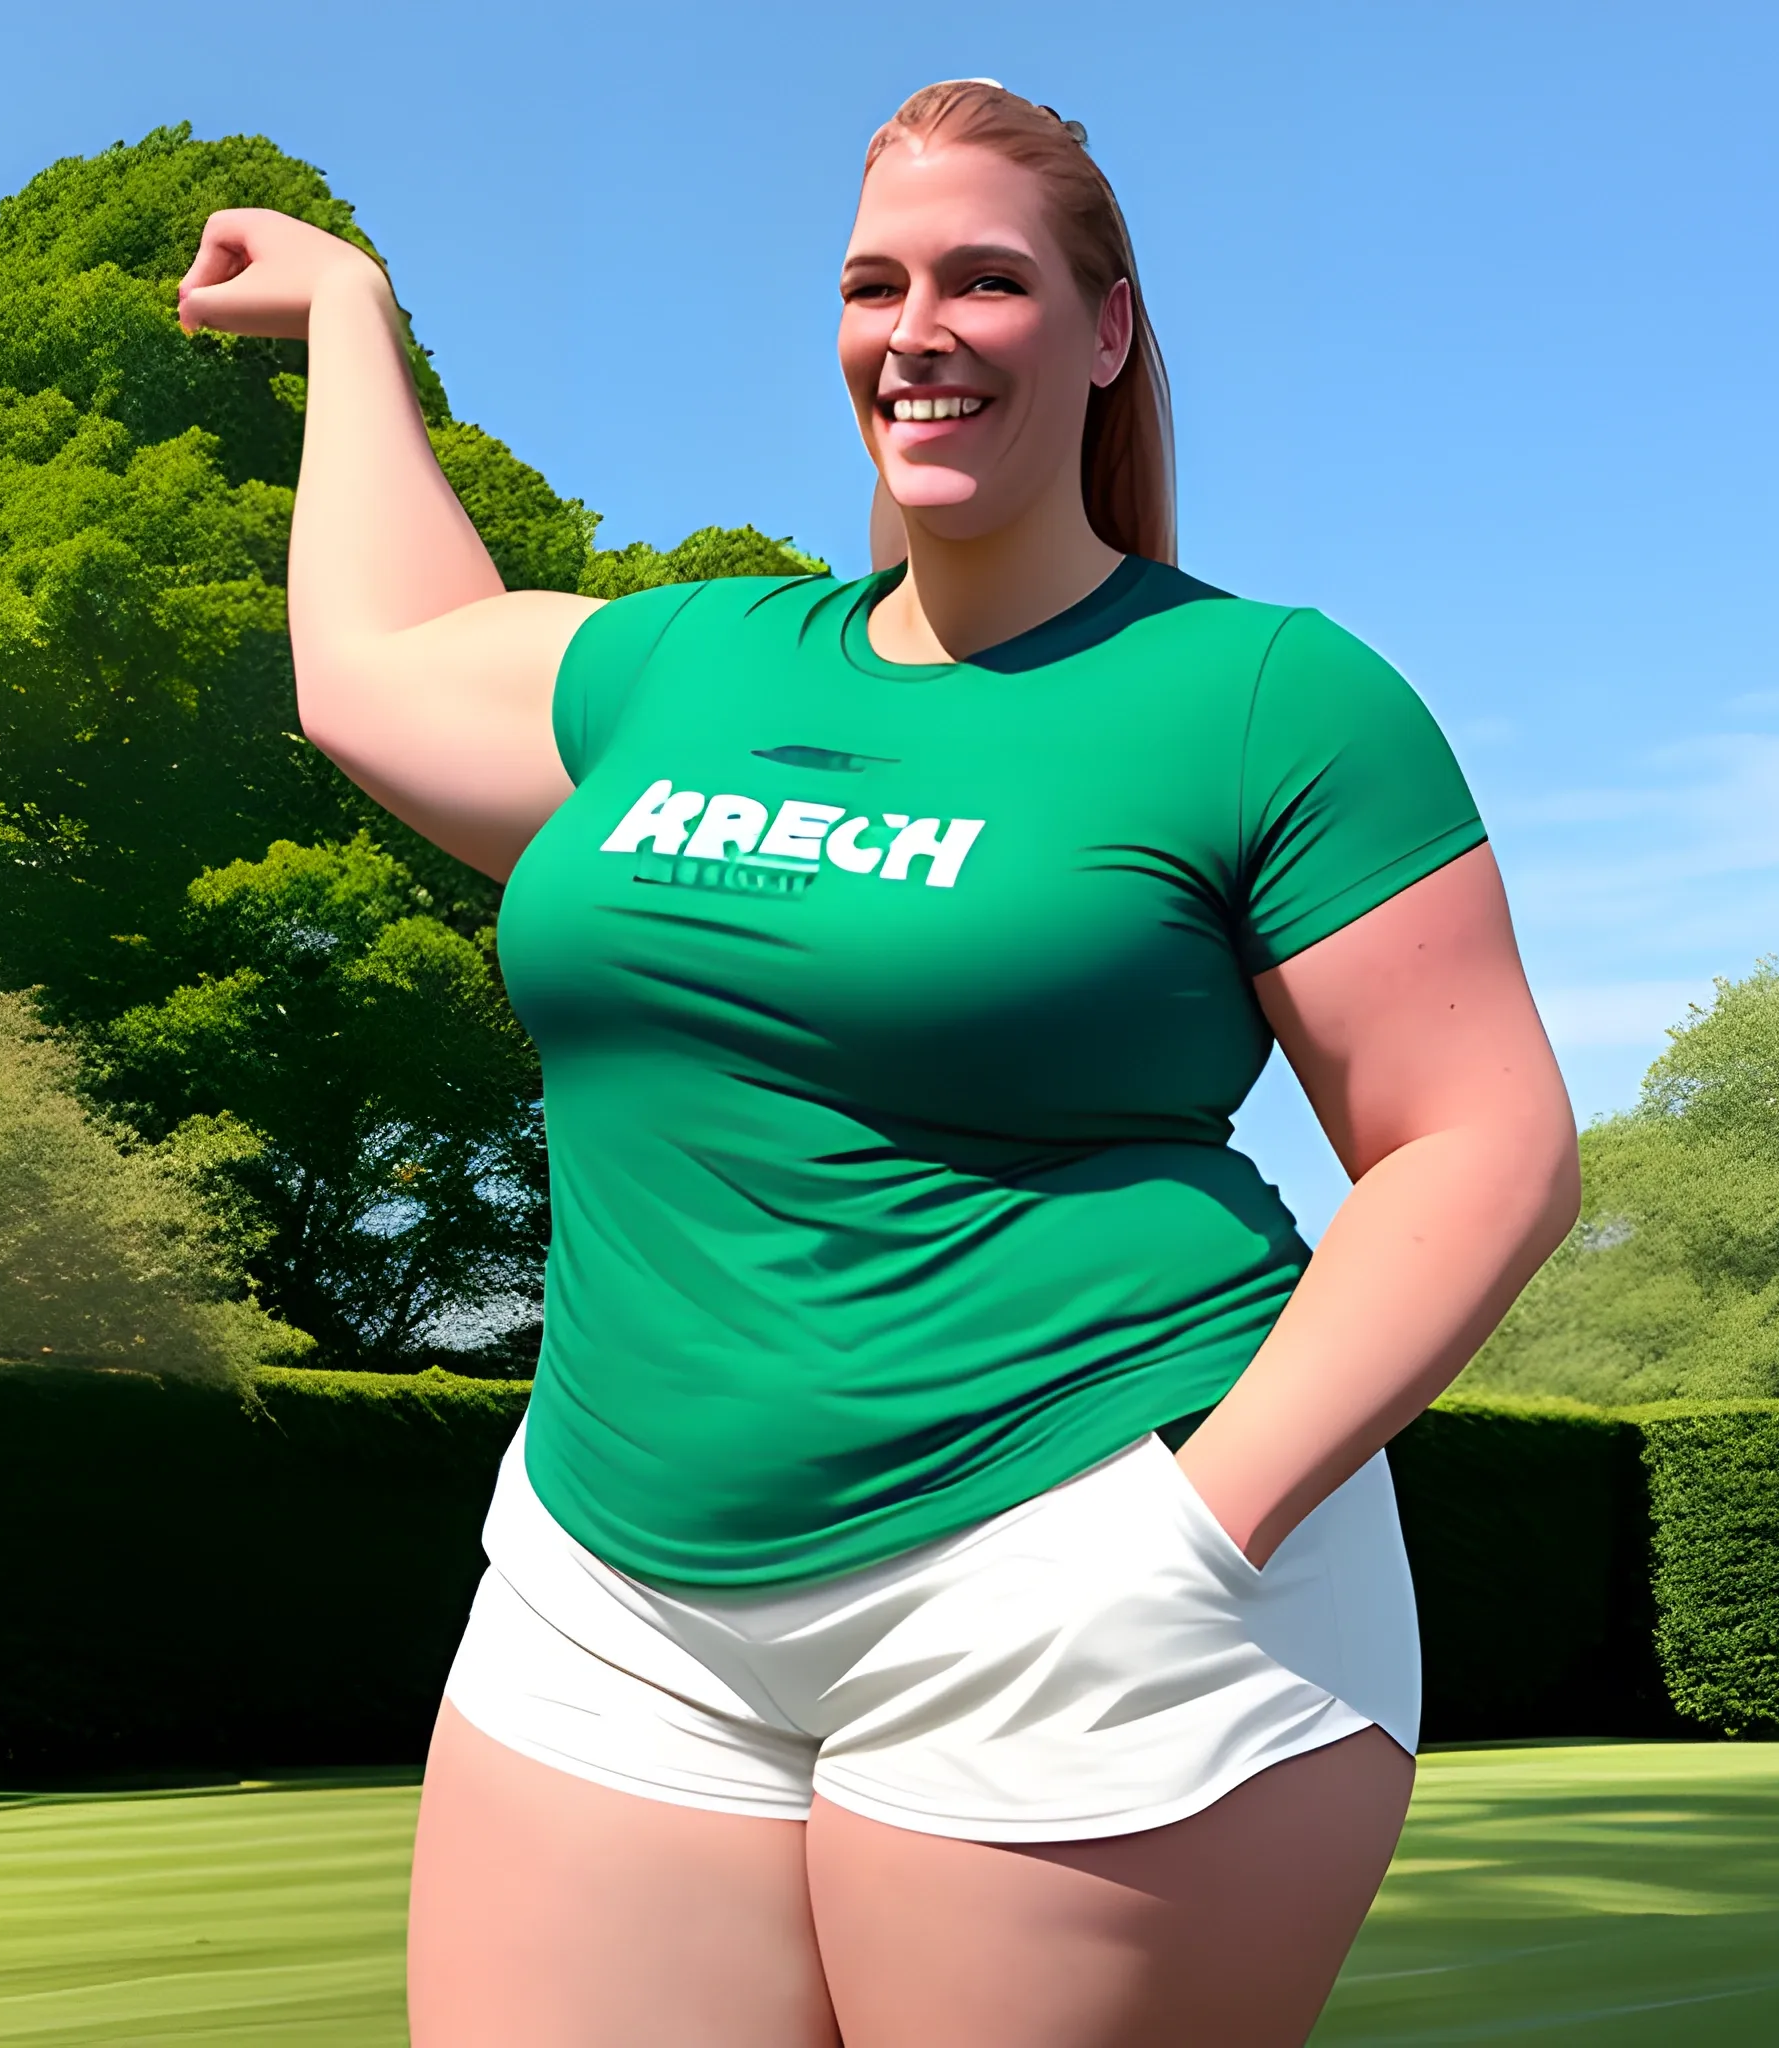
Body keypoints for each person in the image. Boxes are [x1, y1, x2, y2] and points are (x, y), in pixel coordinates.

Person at [177, 79, 1579, 2048]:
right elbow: (386, 658)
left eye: (985, 279)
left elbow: (1478, 1140)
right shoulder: (693, 664)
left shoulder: (1268, 696)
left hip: (1074, 1577)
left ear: (1102, 332)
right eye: (873, 281)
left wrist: (1196, 1527)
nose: (916, 326)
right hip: (610, 1595)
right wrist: (349, 317)